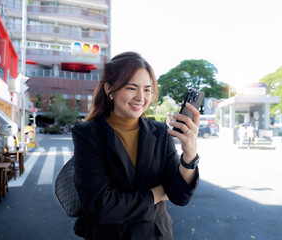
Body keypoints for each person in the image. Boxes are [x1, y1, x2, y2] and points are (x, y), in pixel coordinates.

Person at [72, 52, 200, 240]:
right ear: (110, 89)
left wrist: (189, 155)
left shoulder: (160, 132)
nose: (141, 97)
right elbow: (101, 206)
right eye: (132, 88)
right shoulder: (88, 133)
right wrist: (156, 194)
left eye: (147, 89)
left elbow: (179, 196)